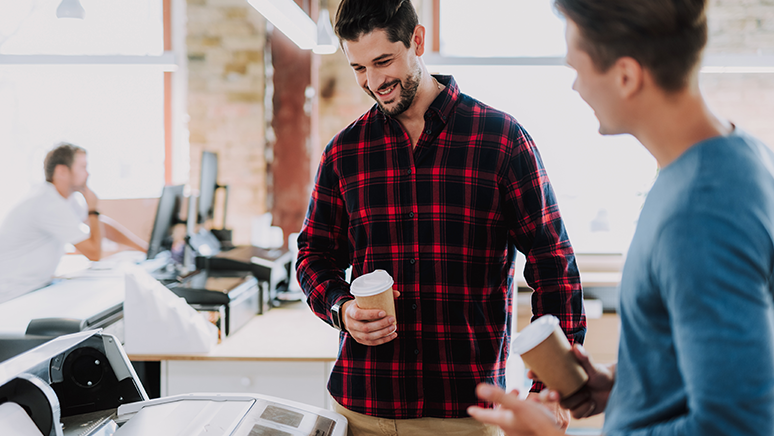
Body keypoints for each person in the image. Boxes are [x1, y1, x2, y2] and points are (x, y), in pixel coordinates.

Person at [468, 0, 774, 435]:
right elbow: (724, 366)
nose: (576, 87)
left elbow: (736, 425)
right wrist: (622, 385)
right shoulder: (734, 157)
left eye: (578, 68)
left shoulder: (698, 214)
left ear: (626, 76)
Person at [295, 0, 586, 434]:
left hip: (464, 417)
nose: (374, 82)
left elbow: (554, 266)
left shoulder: (501, 141)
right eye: (358, 68)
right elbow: (313, 255)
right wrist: (341, 308)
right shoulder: (345, 153)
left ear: (417, 40)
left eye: (383, 61)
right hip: (360, 408)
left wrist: (552, 388)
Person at [0, 142, 149, 304]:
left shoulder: (66, 200)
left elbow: (102, 226)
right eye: (83, 167)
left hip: (35, 287)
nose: (88, 174)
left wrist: (144, 248)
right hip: (15, 295)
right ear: (62, 171)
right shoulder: (48, 203)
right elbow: (94, 254)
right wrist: (93, 209)